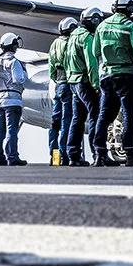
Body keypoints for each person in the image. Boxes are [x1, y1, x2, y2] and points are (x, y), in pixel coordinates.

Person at [92, 0, 133, 167]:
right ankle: (131, 154)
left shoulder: (101, 27)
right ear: (130, 9)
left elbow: (95, 52)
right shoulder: (131, 26)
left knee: (104, 116)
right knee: (129, 116)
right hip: (127, 77)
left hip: (107, 77)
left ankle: (99, 154)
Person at [64, 7, 103, 167]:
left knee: (77, 119)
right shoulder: (87, 38)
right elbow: (92, 63)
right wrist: (96, 84)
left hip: (73, 83)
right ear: (92, 20)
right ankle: (97, 154)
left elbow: (66, 61)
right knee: (95, 116)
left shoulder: (72, 37)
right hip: (85, 83)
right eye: (97, 19)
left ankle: (73, 155)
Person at [0, 32, 28, 166]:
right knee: (12, 130)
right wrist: (24, 72)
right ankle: (12, 157)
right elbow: (19, 79)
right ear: (13, 45)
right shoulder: (14, 62)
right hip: (12, 99)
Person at [47, 17, 78, 166]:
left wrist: (58, 80)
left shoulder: (54, 44)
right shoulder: (71, 43)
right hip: (68, 83)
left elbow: (51, 70)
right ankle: (64, 155)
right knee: (67, 121)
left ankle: (54, 158)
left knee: (55, 122)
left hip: (58, 84)